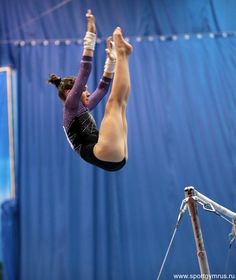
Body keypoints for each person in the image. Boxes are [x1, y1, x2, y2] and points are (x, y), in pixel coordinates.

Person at [48, 10, 132, 171]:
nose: (88, 93)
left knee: (119, 105)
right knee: (113, 105)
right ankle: (123, 53)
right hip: (101, 152)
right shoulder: (70, 106)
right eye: (84, 90)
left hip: (112, 155)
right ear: (69, 93)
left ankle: (122, 56)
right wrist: (91, 35)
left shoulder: (81, 108)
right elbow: (85, 70)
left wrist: (111, 62)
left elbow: (102, 88)